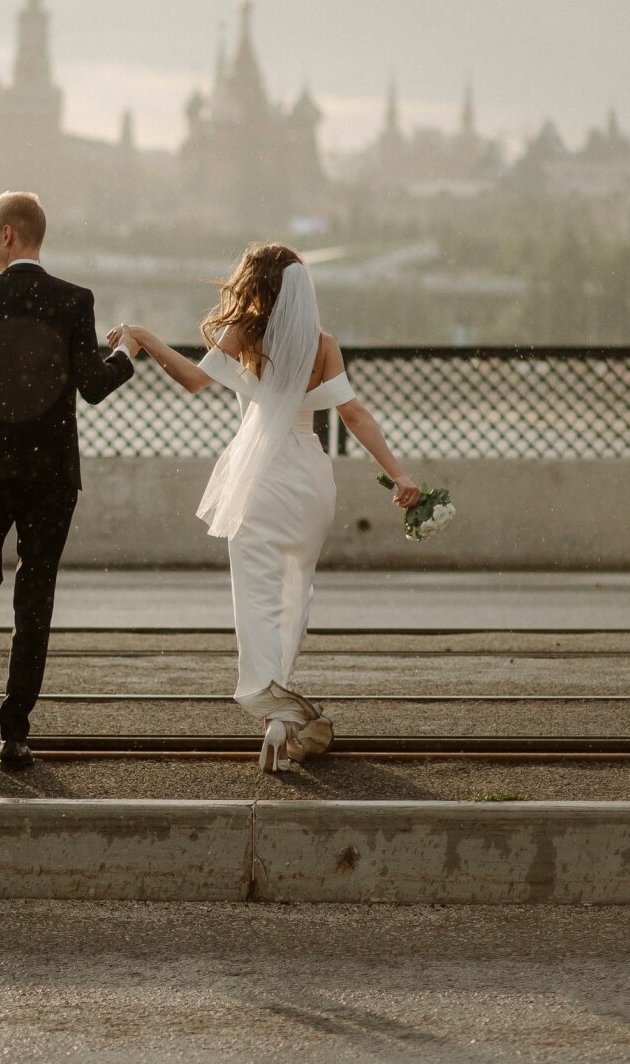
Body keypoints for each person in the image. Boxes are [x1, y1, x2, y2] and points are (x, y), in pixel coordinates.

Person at [110, 244, 422, 773]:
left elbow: (193, 380)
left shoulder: (245, 334)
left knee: (256, 597)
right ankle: (281, 709)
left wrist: (142, 335)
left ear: (254, 283)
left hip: (262, 478)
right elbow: (354, 414)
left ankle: (276, 709)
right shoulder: (323, 345)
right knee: (295, 592)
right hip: (311, 479)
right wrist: (400, 475)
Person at [0, 191, 136, 770]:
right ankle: (15, 731)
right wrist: (127, 354)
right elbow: (93, 387)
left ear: (8, 234)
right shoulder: (73, 300)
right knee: (35, 596)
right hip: (50, 475)